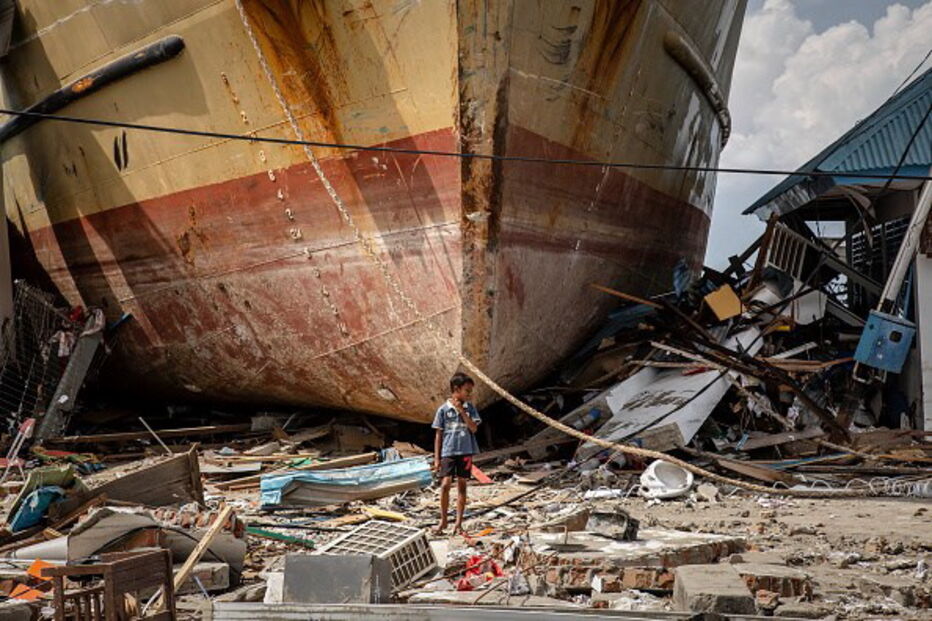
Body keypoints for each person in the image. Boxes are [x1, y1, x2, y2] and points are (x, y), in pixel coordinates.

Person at [432, 372, 481, 535]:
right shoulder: (443, 410)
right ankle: (444, 520)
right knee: (445, 485)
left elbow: (473, 428)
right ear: (456, 389)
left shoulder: (470, 408)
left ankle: (459, 523)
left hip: (465, 451)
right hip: (448, 451)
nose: (469, 394)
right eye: (467, 391)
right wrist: (437, 458)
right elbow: (438, 434)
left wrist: (462, 411)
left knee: (462, 486)